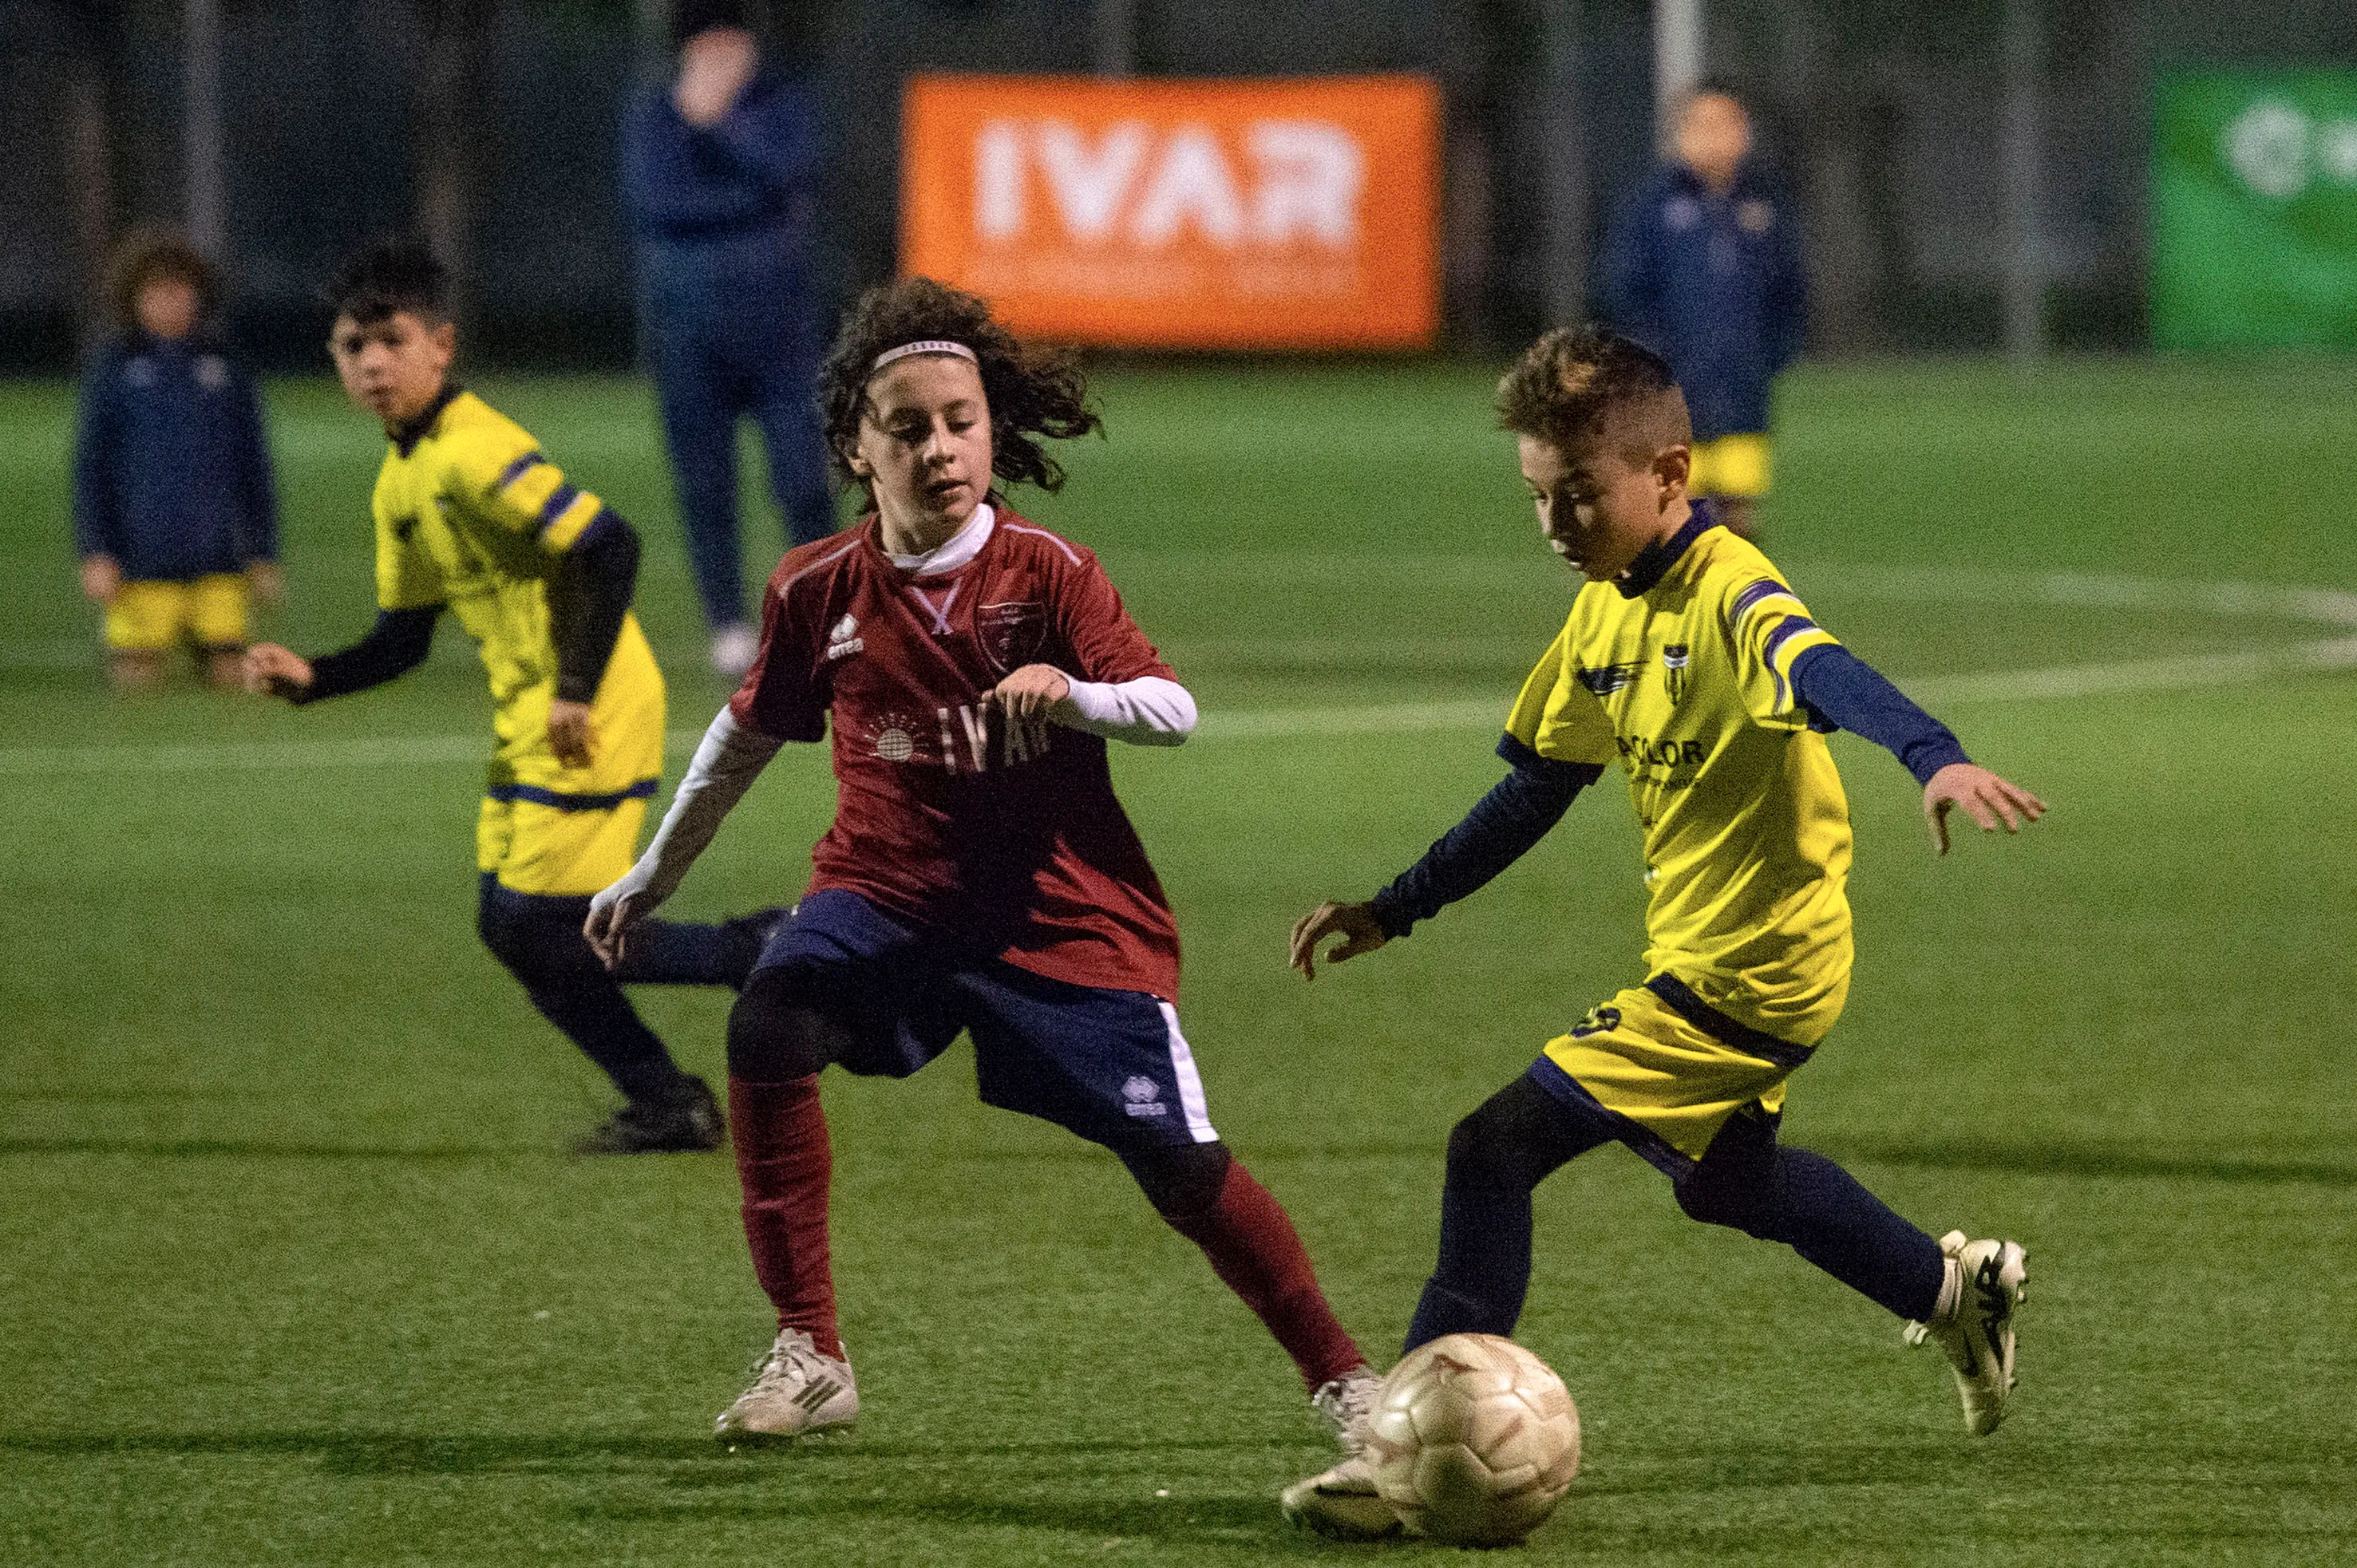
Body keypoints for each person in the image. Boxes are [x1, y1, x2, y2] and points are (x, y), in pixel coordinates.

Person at [584, 276, 1382, 1448]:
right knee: (769, 1023)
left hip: (1058, 919)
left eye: (961, 420)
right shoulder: (816, 588)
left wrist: (1072, 694)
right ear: (857, 448)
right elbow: (745, 733)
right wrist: (653, 874)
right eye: (908, 428)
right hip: (885, 896)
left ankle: (1346, 1379)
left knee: (1175, 1163)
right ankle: (811, 1352)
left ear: (991, 427)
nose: (942, 448)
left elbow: (1173, 708)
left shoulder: (1047, 571)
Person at [1279, 328, 2047, 1538]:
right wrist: (1400, 902)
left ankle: (1393, 1454)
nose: (1553, 524)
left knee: (1491, 1149)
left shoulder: (1730, 587)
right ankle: (1955, 1288)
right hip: (1708, 954)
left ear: (1670, 475)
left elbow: (1830, 670)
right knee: (1728, 1185)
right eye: (1538, 497)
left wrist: (1934, 758)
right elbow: (1535, 786)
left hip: (1757, 971)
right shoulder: (1600, 616)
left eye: (1579, 495)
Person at [245, 240, 780, 1155]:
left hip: (594, 705)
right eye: (351, 346)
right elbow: (403, 640)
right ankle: (665, 1099)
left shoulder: (476, 452)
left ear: (440, 346)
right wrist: (314, 680)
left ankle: (760, 952)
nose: (372, 363)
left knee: (545, 927)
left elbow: (610, 547)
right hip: (533, 715)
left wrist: (574, 689)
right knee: (513, 927)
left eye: (391, 340)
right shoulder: (401, 481)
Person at [621, 0, 835, 677]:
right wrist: (741, 196)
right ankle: (729, 623)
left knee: (804, 477)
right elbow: (656, 203)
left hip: (780, 331)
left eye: (730, 46)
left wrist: (717, 130)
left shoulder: (779, 105)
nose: (718, 60)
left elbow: (787, 171)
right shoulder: (653, 115)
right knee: (704, 483)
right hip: (685, 332)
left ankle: (827, 614)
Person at [74, 232, 281, 691]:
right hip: (141, 558)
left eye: (181, 289)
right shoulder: (114, 367)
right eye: (158, 291)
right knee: (137, 682)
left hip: (218, 555)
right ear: (135, 298)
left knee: (233, 677)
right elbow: (92, 469)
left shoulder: (226, 365)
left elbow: (255, 466)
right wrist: (96, 552)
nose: (171, 301)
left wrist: (263, 552)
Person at [1600, 83, 1805, 542]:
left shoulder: (1765, 205)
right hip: (1672, 392)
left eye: (1726, 124)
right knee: (1678, 517)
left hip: (1742, 393)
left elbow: (1790, 291)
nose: (1715, 137)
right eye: (1701, 125)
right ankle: (1678, 611)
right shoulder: (1650, 207)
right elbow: (1625, 290)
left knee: (1740, 522)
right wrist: (1653, 363)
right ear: (1679, 135)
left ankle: (1732, 610)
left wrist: (1771, 355)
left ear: (1745, 133)